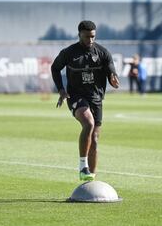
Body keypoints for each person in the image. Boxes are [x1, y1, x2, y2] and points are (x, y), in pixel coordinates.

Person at [51, 20, 119, 181]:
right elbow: (55, 67)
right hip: (75, 96)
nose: (90, 40)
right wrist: (61, 89)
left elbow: (110, 67)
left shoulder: (102, 52)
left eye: (93, 36)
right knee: (88, 123)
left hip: (96, 98)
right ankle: (83, 167)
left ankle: (90, 180)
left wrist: (112, 76)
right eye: (87, 36)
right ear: (79, 34)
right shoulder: (69, 52)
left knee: (94, 140)